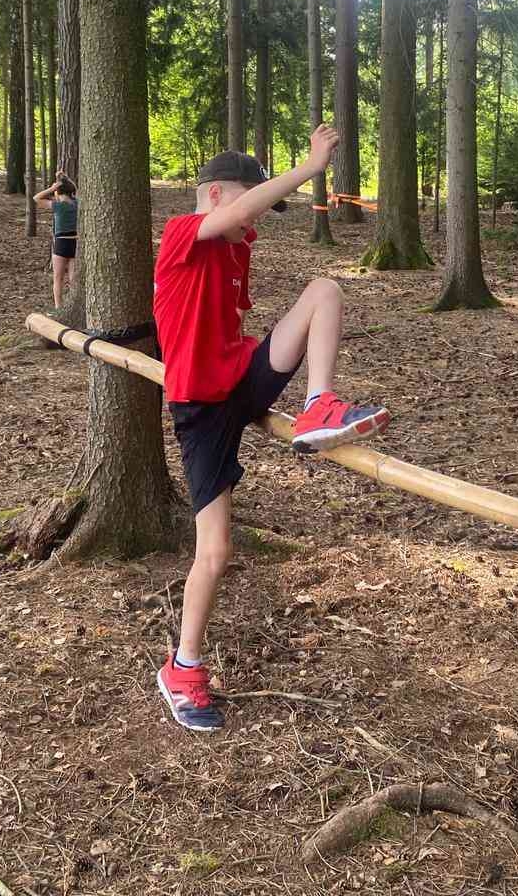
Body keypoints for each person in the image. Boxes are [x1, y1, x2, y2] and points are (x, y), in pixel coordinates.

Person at [151, 126, 389, 732]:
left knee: (324, 290)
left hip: (241, 382)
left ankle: (320, 403)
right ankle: (182, 668)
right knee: (216, 552)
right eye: (247, 206)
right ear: (214, 196)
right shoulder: (181, 233)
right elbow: (233, 220)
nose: (253, 223)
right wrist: (309, 168)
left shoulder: (237, 245)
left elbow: (231, 295)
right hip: (200, 410)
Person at [33, 171, 79, 308]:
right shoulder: (77, 204)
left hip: (61, 243)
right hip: (75, 242)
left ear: (57, 192)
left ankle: (59, 307)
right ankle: (74, 306)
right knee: (73, 279)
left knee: (58, 278)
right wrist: (66, 179)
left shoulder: (57, 206)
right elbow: (75, 189)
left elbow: (36, 198)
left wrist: (52, 188)